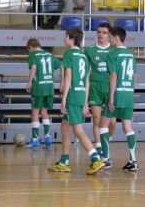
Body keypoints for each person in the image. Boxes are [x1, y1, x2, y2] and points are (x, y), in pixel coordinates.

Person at [48, 27, 105, 175]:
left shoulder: (69, 54)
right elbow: (87, 80)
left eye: (65, 36)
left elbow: (68, 77)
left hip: (72, 95)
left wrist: (64, 99)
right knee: (65, 126)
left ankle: (96, 159)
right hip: (81, 95)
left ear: (72, 39)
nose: (64, 39)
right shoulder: (84, 56)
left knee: (78, 130)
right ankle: (64, 162)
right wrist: (85, 102)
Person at [99, 26, 138, 171]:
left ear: (116, 38)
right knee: (128, 127)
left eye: (109, 37)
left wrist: (111, 96)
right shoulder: (130, 54)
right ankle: (133, 161)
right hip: (128, 94)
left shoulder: (112, 53)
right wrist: (130, 92)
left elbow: (113, 76)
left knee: (103, 125)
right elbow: (134, 76)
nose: (108, 39)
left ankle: (106, 159)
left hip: (117, 94)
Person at [84, 23, 116, 159]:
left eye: (103, 32)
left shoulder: (114, 51)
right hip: (95, 86)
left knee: (112, 122)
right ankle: (99, 147)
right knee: (97, 119)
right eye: (98, 32)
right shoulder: (90, 50)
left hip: (110, 87)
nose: (100, 35)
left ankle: (105, 142)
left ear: (109, 35)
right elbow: (85, 72)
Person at [25, 38, 63, 149]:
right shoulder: (49, 55)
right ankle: (48, 137)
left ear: (30, 47)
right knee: (45, 112)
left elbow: (33, 67)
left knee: (35, 112)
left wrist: (29, 82)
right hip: (49, 86)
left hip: (39, 86)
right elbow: (61, 67)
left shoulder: (33, 55)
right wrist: (62, 82)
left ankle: (35, 139)